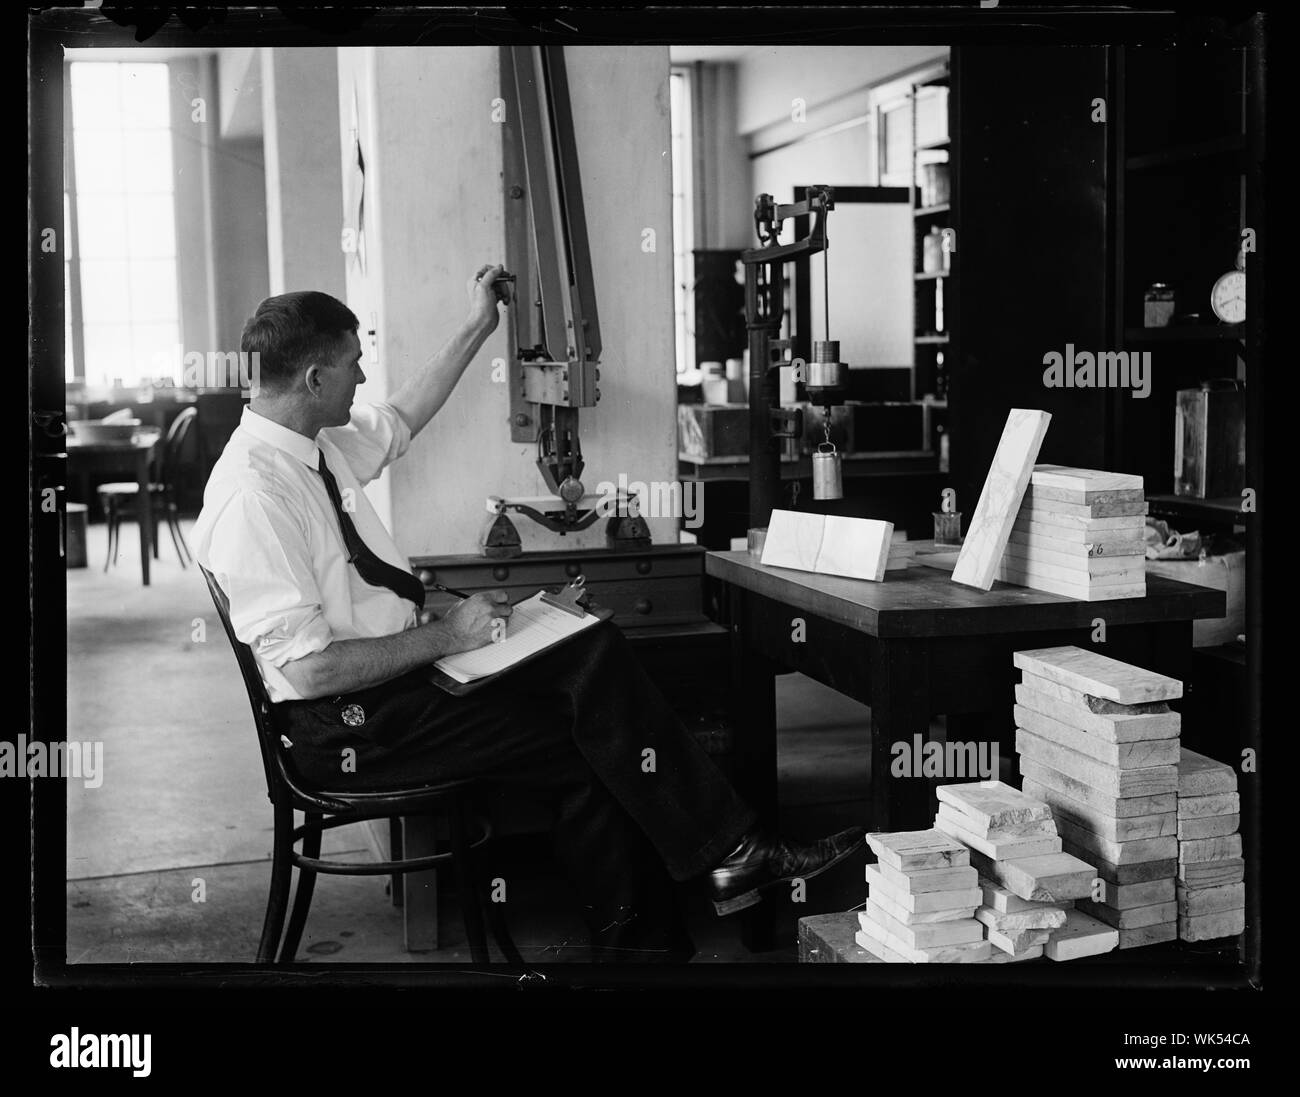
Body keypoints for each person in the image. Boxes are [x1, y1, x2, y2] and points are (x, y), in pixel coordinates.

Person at [193, 266, 863, 962]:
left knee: (590, 691)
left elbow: (400, 418)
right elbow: (311, 670)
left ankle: (668, 924)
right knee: (592, 716)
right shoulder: (254, 495)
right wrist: (445, 635)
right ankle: (716, 868)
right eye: (354, 364)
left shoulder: (313, 445)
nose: (362, 378)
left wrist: (482, 322)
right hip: (346, 726)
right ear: (313, 380)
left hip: (388, 688)